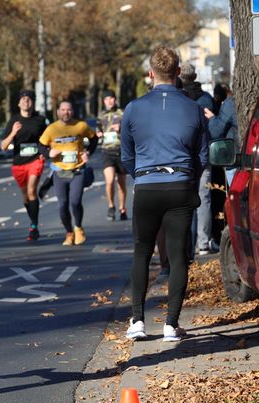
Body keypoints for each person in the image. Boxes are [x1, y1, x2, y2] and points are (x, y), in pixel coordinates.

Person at [121, 45, 209, 342]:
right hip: (181, 185)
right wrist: (188, 177)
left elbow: (126, 155)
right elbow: (204, 154)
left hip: (146, 185)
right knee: (178, 255)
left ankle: (137, 320)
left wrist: (142, 176)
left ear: (150, 74)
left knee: (142, 251)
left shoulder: (133, 108)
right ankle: (171, 324)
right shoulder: (194, 108)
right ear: (178, 73)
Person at [38, 101, 98, 246]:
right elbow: (41, 145)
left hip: (77, 170)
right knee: (62, 205)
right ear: (58, 111)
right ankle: (69, 232)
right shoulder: (52, 129)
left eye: (69, 110)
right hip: (59, 172)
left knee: (75, 201)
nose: (66, 112)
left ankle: (78, 228)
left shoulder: (81, 125)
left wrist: (88, 152)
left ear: (72, 111)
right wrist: (48, 153)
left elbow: (94, 138)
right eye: (63, 110)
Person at [0, 89, 48, 241]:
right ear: (19, 103)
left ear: (33, 102)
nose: (26, 101)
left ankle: (34, 226)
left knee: (31, 190)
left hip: (35, 160)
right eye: (23, 99)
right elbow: (3, 146)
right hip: (19, 163)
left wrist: (45, 152)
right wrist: (13, 133)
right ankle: (33, 220)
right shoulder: (14, 121)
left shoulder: (40, 120)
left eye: (29, 99)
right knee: (25, 196)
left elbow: (48, 139)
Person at [181, 62, 215, 256]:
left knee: (184, 200)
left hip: (184, 155)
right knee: (204, 199)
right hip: (204, 153)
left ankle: (187, 244)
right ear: (195, 76)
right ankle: (203, 243)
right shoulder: (206, 99)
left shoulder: (179, 100)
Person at [96, 90, 127, 221]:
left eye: (111, 98)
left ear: (115, 99)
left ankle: (122, 208)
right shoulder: (101, 115)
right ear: (103, 101)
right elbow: (98, 129)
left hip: (121, 151)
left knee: (121, 184)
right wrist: (98, 134)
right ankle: (111, 205)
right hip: (107, 152)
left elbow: (131, 130)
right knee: (109, 181)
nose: (109, 101)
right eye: (106, 99)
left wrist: (121, 129)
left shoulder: (123, 113)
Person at [204, 91, 238, 187]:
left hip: (237, 160)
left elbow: (215, 132)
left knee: (237, 198)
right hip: (252, 158)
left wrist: (212, 119)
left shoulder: (232, 103)